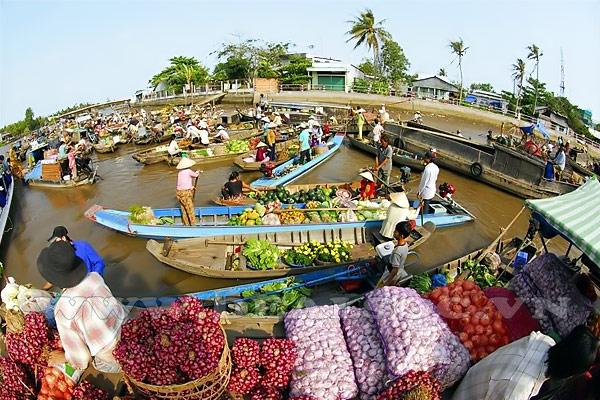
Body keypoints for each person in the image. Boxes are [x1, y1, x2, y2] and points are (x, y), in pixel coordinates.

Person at [37, 241, 126, 372]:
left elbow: (83, 359)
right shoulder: (95, 277)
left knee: (97, 363)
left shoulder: (62, 309)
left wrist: (63, 357)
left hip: (114, 358)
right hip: (126, 330)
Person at [382, 221, 413, 286]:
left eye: (396, 231)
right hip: (400, 269)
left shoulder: (397, 251)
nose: (393, 232)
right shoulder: (405, 244)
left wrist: (387, 282)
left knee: (379, 288)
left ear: (401, 235)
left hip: (391, 273)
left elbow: (395, 270)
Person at [176, 158, 201, 226]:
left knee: (184, 210)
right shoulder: (188, 171)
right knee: (190, 210)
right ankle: (193, 225)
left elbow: (183, 182)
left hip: (179, 193)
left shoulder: (180, 172)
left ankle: (186, 224)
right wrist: (198, 172)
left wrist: (191, 187)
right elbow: (196, 175)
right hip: (185, 193)